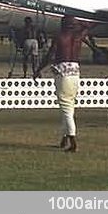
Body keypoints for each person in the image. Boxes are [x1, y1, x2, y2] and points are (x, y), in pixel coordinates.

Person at [34, 14, 86, 152]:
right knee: (69, 106)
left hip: (62, 74)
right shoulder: (78, 37)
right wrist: (78, 23)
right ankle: (64, 139)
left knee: (66, 108)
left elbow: (50, 55)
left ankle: (72, 141)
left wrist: (38, 69)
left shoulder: (59, 37)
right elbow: (87, 26)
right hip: (75, 73)